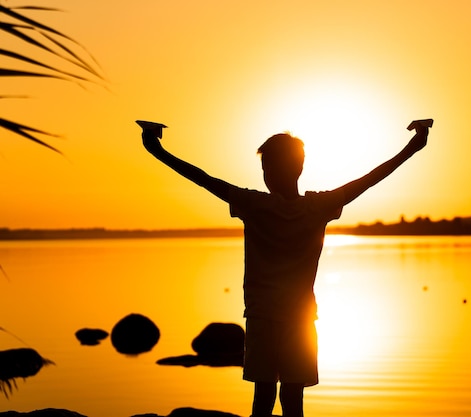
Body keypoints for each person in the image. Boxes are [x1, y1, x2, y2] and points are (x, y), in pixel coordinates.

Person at [141, 122, 430, 417]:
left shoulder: (253, 204)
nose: (264, 175)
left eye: (265, 167)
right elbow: (368, 180)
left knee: (263, 399)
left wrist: (157, 150)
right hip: (301, 318)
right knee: (293, 401)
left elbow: (202, 179)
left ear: (272, 170)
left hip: (263, 317)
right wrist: (412, 147)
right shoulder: (317, 206)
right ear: (299, 168)